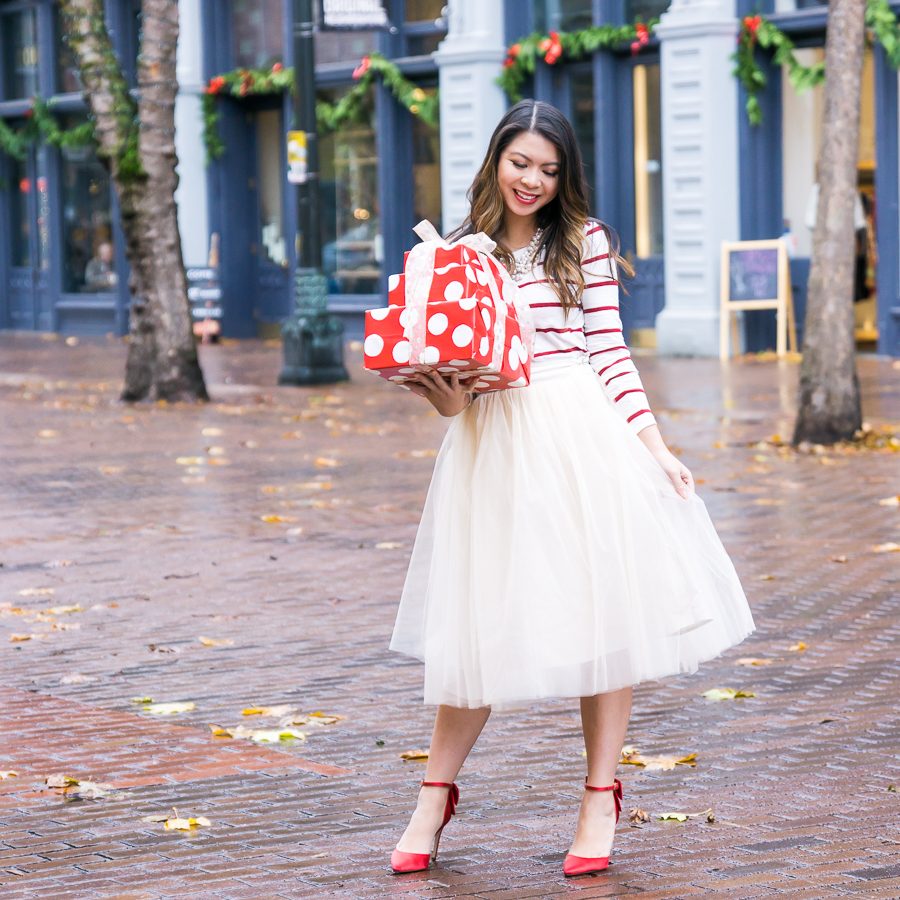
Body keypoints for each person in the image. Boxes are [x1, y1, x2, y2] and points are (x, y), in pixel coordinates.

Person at [388, 100, 755, 878]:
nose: (533, 181)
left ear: (567, 178)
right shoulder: (455, 252)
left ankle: (599, 794)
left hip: (582, 436)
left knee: (603, 618)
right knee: (478, 630)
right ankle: (433, 796)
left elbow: (610, 354)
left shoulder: (583, 242)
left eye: (550, 171)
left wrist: (655, 447)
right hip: (491, 447)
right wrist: (439, 390)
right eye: (521, 163)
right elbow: (460, 398)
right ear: (495, 160)